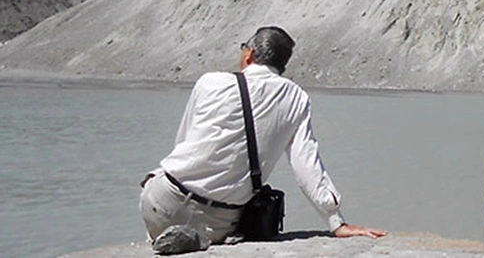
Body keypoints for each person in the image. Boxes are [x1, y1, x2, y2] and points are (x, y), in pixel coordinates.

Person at [139, 26, 386, 250]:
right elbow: (306, 165)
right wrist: (336, 222)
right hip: (221, 219)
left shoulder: (210, 82)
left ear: (249, 54)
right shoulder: (296, 98)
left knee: (158, 179)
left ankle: (170, 232)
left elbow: (183, 143)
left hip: (163, 201)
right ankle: (201, 235)